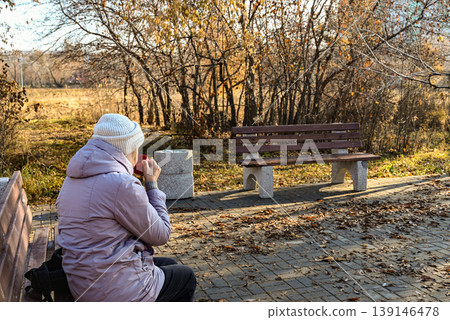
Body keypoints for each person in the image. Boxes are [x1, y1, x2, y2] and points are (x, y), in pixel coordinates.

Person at [56, 113, 196, 302]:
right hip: (111, 289)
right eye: (136, 149)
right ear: (128, 149)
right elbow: (161, 234)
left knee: (169, 264)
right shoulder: (121, 184)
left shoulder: (72, 178)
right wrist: (152, 184)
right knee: (186, 277)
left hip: (83, 279)